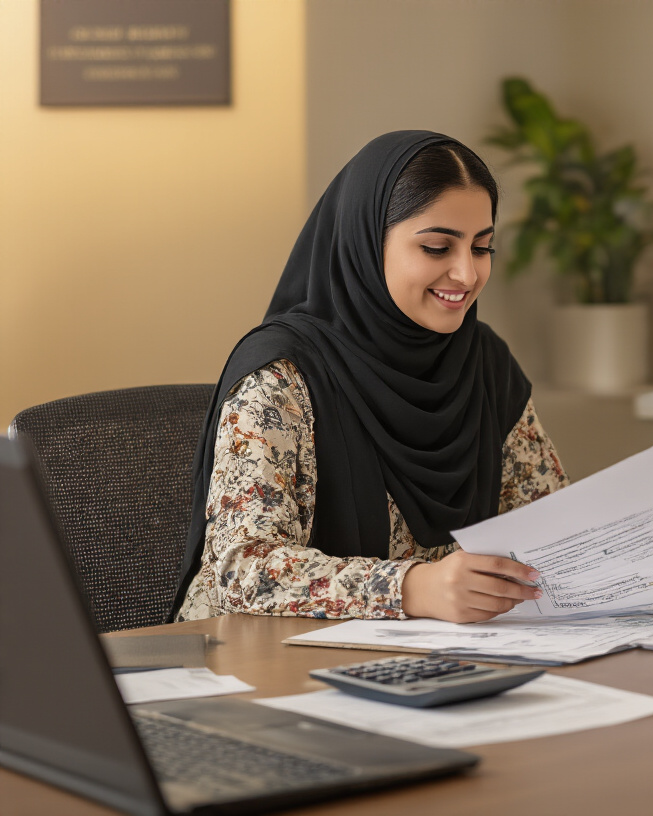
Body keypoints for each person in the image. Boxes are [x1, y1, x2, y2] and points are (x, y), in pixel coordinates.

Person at [172, 131, 567, 625]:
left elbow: (552, 526)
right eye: (438, 247)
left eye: (482, 247)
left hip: (437, 665)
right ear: (365, 241)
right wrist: (410, 587)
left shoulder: (485, 363)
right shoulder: (282, 376)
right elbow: (241, 571)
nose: (466, 274)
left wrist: (651, 581)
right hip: (264, 666)